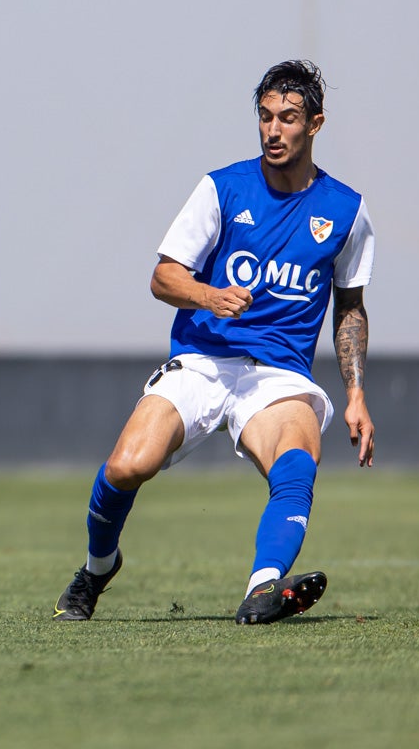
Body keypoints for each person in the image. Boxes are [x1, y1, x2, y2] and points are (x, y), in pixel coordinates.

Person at [52, 60, 375, 625]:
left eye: (289, 119)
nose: (274, 130)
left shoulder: (347, 210)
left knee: (296, 460)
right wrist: (208, 296)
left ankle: (263, 587)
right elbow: (163, 276)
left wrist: (354, 395)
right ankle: (96, 569)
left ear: (315, 124)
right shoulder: (223, 188)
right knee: (128, 466)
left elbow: (349, 307)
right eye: (266, 117)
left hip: (278, 374)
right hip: (201, 361)